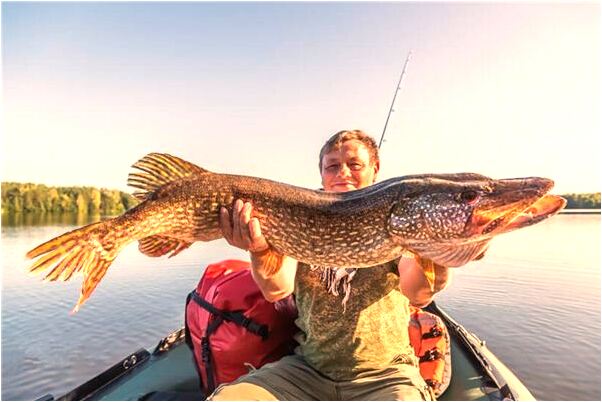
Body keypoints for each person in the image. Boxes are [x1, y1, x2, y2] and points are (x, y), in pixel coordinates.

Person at [212, 130, 452, 400]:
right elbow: (276, 290)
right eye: (333, 166)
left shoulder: (396, 215)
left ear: (375, 169)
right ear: (322, 174)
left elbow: (416, 292)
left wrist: (438, 253)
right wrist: (258, 250)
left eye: (355, 164)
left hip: (386, 376)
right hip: (307, 372)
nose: (343, 173)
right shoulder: (298, 213)